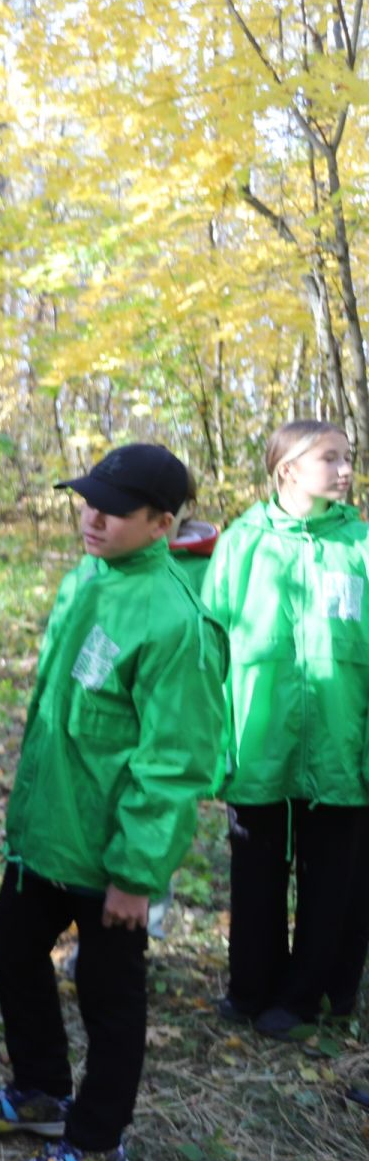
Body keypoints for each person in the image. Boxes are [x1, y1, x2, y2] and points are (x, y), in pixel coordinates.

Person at [0, 443, 227, 1161]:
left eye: (112, 508)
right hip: (47, 835)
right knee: (11, 943)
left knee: (111, 1004)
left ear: (163, 524)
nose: (91, 515)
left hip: (110, 858)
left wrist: (137, 876)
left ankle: (99, 1146)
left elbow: (173, 763)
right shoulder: (87, 579)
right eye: (86, 499)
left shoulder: (178, 621)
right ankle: (42, 1090)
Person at [199, 420, 369, 1040]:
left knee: (334, 879)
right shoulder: (243, 542)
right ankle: (251, 987)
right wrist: (215, 741)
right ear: (288, 469)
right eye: (331, 458)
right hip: (260, 741)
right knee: (256, 871)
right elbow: (209, 646)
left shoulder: (361, 545)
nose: (346, 468)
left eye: (347, 457)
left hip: (340, 744)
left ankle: (310, 997)